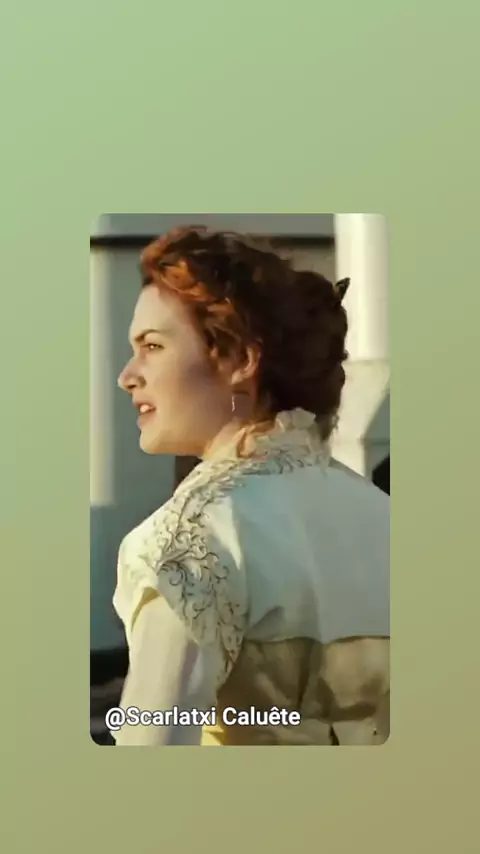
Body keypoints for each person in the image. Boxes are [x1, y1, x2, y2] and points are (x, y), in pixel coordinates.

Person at [112, 226, 390, 746]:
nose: (127, 375)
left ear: (241, 359)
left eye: (152, 345)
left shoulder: (192, 538)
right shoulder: (387, 517)